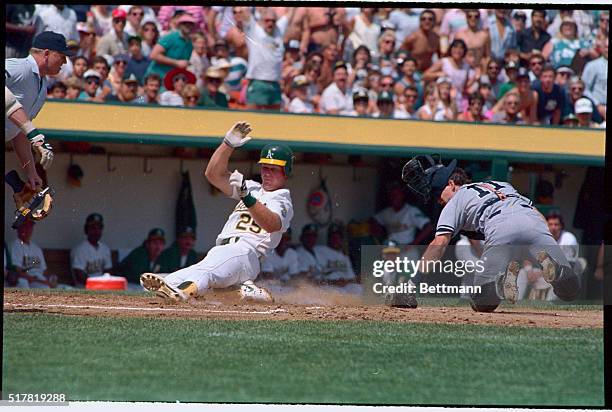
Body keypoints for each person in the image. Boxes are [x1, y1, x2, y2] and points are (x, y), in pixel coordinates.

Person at [140, 122, 294, 302]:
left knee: (203, 275)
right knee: (171, 280)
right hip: (223, 250)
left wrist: (247, 197)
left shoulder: (282, 199)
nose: (267, 173)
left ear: (286, 172)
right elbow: (213, 175)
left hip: (246, 252)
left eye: (273, 169)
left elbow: (271, 224)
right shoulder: (252, 187)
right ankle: (245, 292)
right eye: (265, 168)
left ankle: (182, 294)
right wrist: (227, 144)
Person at [404, 155, 580, 312]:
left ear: (451, 184)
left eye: (438, 194)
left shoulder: (456, 199)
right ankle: (557, 270)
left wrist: (411, 284)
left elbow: (439, 243)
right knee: (570, 288)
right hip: (534, 222)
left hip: (500, 226)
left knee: (483, 300)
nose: (439, 201)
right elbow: (539, 217)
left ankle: (495, 284)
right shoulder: (501, 184)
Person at [5, 31, 69, 188]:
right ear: (47, 53)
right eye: (62, 56)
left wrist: (31, 172)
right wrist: (34, 134)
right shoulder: (20, 67)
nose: (65, 62)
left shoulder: (43, 87)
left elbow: (20, 132)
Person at [242, 8, 288, 111]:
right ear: (261, 21)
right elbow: (245, 12)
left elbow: (290, 13)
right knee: (251, 120)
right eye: (267, 20)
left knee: (273, 122)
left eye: (273, 21)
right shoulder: (255, 31)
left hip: (275, 84)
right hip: (258, 82)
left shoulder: (278, 32)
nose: (270, 23)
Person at [146, 13, 197, 85]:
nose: (188, 25)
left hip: (171, 81)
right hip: (156, 79)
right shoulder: (171, 37)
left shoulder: (190, 44)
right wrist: (176, 63)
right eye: (185, 23)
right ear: (180, 25)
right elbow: (154, 55)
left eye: (190, 23)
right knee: (142, 97)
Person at [9, 219, 57, 288]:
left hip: (39, 280)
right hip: (27, 281)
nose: (28, 229)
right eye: (25, 226)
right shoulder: (14, 246)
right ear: (18, 228)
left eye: (30, 226)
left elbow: (44, 271)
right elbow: (17, 271)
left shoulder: (36, 249)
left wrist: (51, 279)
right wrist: (43, 282)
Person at [71, 213, 113, 287]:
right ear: (86, 230)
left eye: (99, 228)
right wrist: (97, 285)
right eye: (93, 228)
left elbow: (108, 271)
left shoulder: (105, 249)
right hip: (84, 289)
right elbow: (79, 275)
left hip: (102, 288)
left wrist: (103, 284)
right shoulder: (79, 250)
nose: (96, 231)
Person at [581, 37, 608, 121]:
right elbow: (585, 89)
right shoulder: (592, 66)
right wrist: (598, 105)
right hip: (597, 109)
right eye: (606, 47)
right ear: (602, 48)